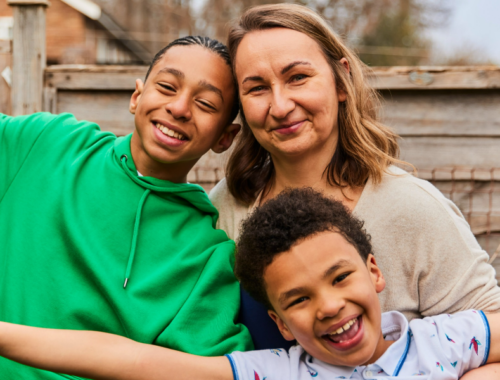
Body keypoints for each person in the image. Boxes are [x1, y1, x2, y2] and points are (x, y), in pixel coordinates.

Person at [209, 3, 500, 348]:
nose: (281, 105)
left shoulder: (412, 208)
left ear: (341, 81)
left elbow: (492, 327)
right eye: (257, 88)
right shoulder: (226, 206)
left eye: (298, 77)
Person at [0, 188, 498, 380]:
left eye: (340, 277)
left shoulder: (442, 343)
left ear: (374, 272)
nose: (328, 306)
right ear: (279, 324)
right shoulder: (279, 372)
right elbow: (135, 361)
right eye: (299, 300)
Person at [0, 35, 252, 378]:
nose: (179, 108)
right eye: (166, 87)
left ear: (225, 137)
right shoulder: (47, 143)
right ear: (137, 96)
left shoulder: (204, 258)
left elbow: (220, 369)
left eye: (205, 104)